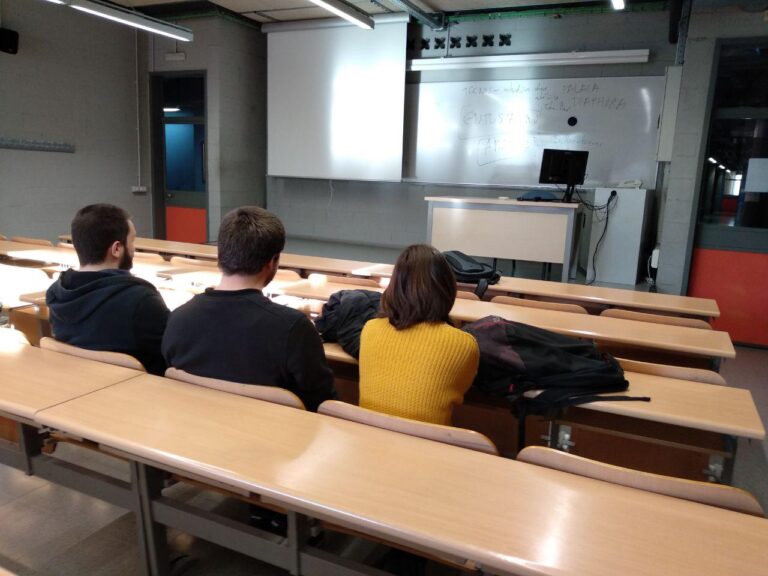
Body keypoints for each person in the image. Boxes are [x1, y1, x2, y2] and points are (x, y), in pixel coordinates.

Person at [162, 206, 336, 412]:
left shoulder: (178, 318)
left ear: (220, 256)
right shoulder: (294, 329)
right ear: (272, 262)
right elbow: (323, 405)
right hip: (274, 439)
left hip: (194, 433)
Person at [358, 244, 479, 425]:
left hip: (369, 440)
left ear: (394, 286)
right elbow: (459, 390)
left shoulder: (370, 329)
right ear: (447, 288)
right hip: (428, 447)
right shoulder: (463, 344)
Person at [46, 204, 169, 375]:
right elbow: (170, 353)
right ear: (117, 249)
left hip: (76, 384)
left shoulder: (56, 293)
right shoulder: (141, 300)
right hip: (137, 393)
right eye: (132, 241)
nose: (134, 248)